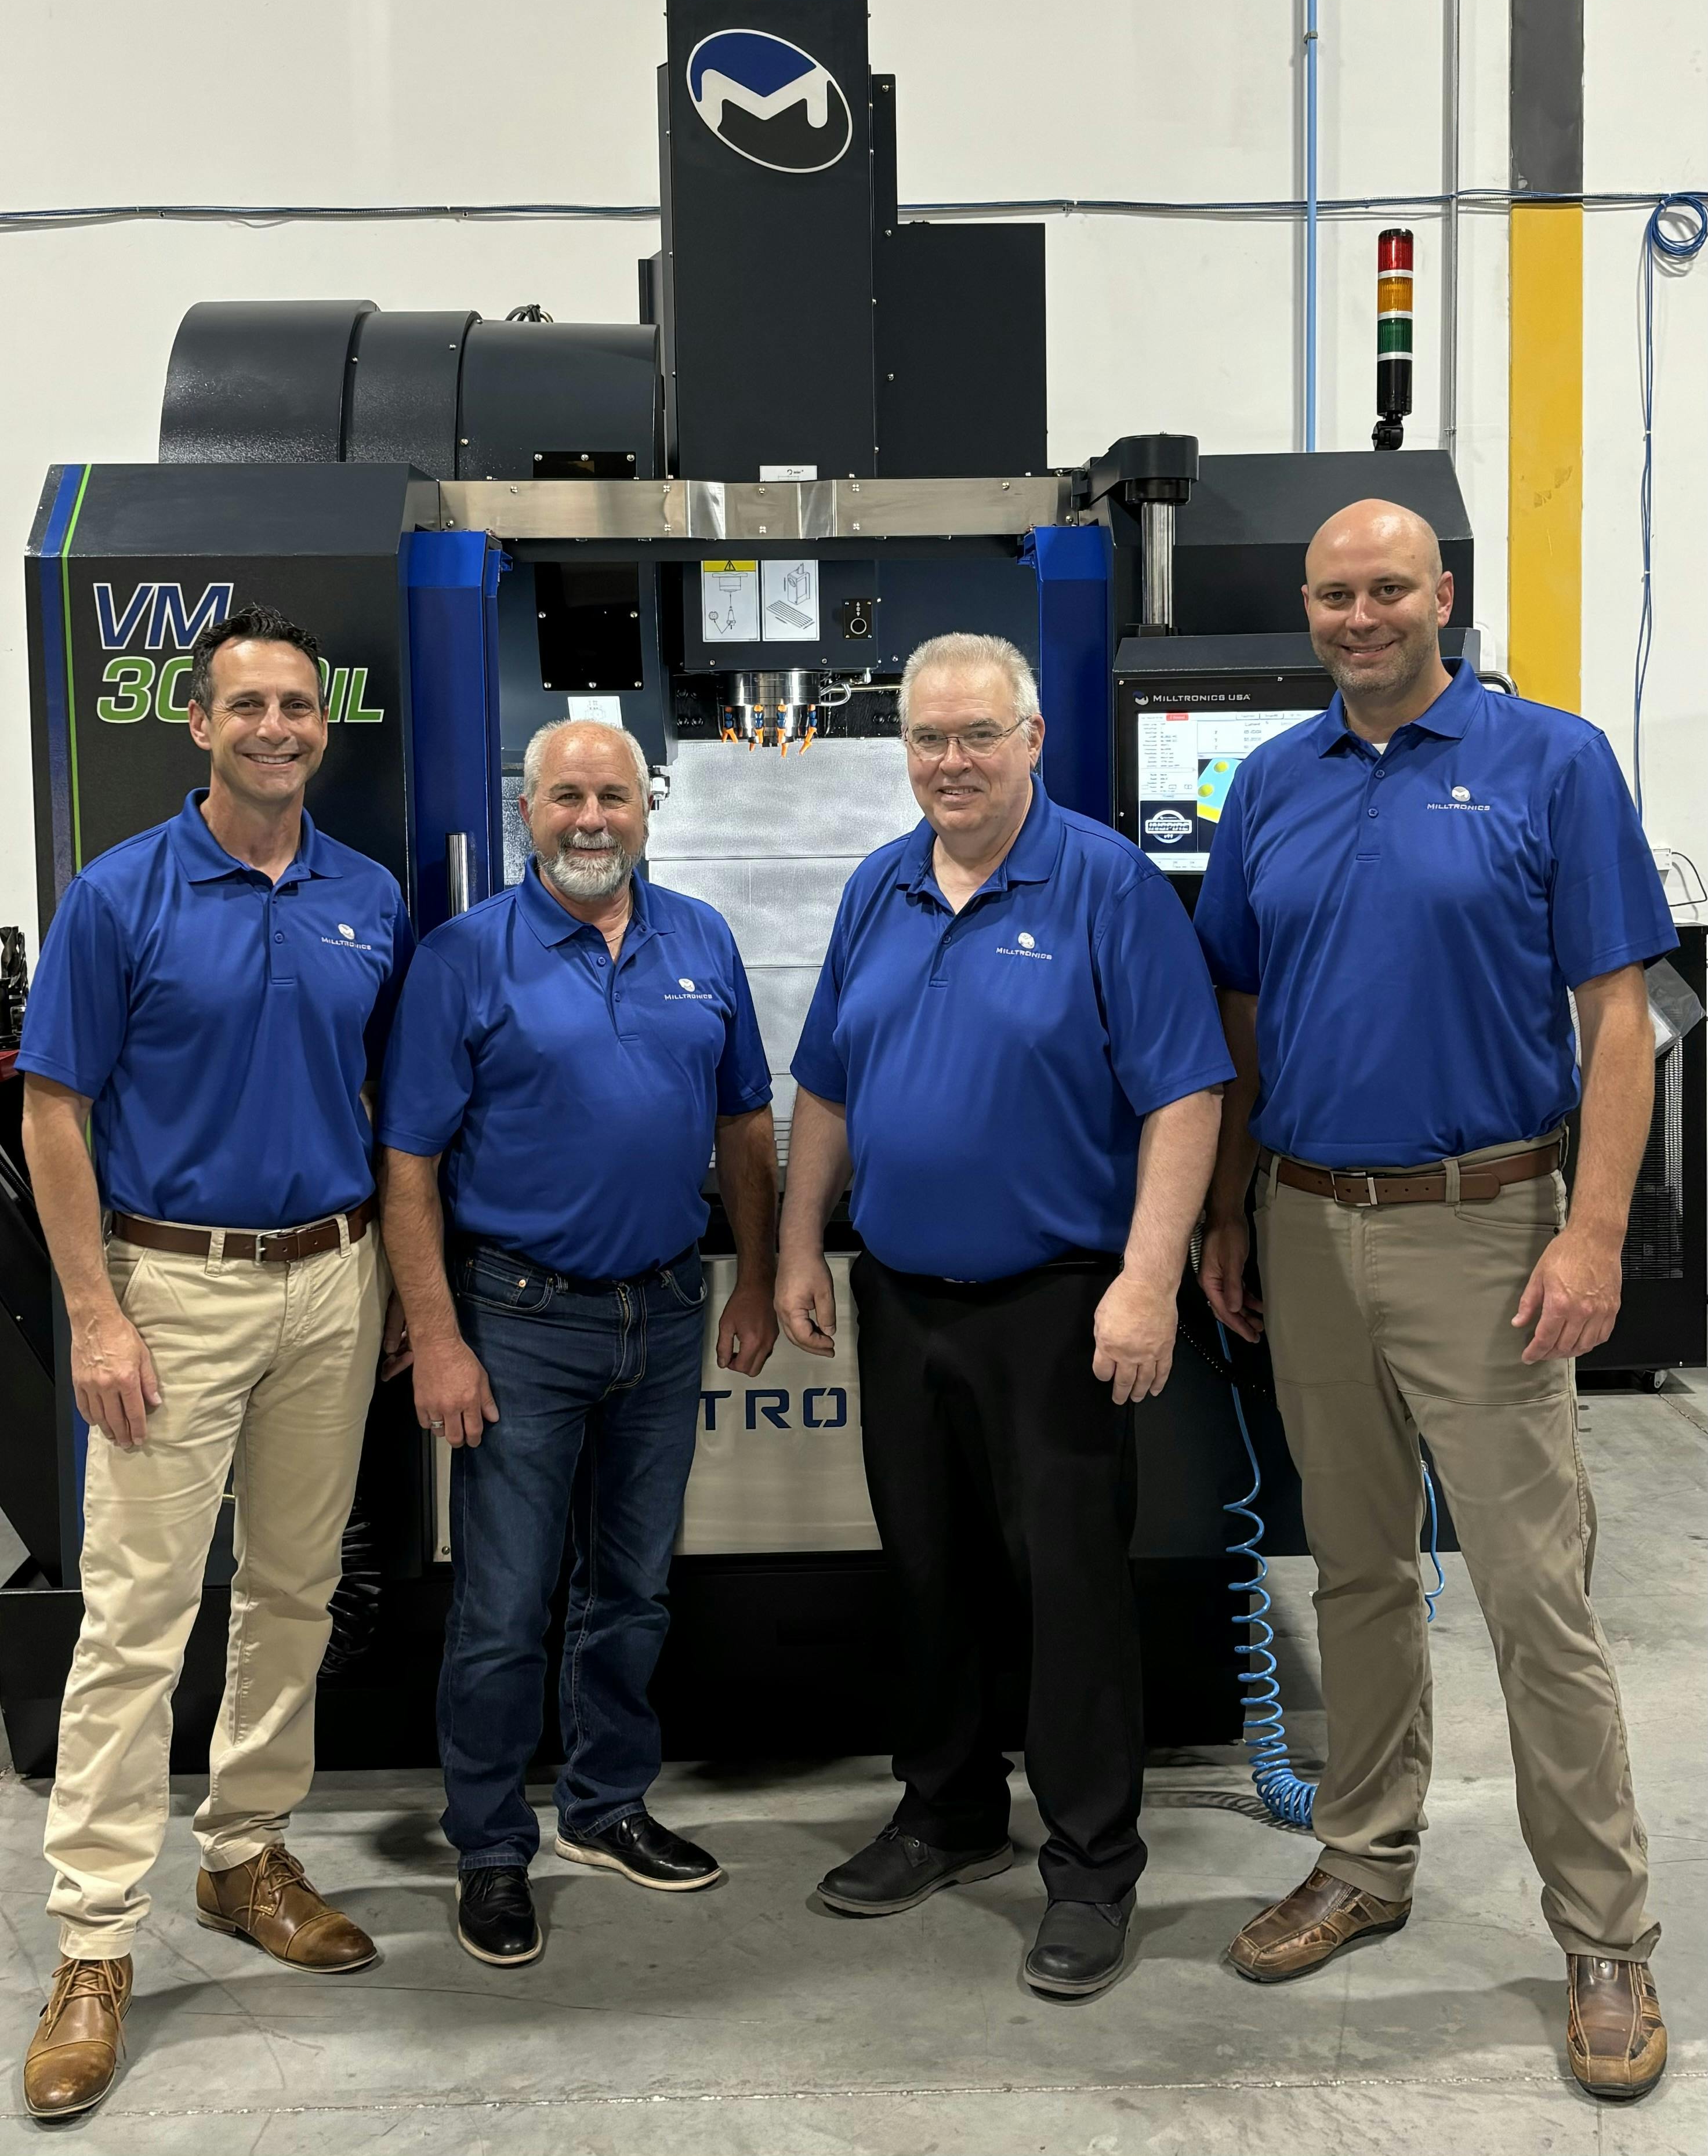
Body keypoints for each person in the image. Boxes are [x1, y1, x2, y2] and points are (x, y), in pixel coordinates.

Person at [1195, 501, 1676, 2101]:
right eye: (1333, 592)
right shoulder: (1267, 784)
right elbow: (1241, 1018)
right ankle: (1363, 1858)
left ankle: (1602, 1932)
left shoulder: (1552, 760)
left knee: (1536, 1596)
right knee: (1354, 1569)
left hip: (1486, 1226)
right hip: (1309, 1217)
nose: (1359, 614)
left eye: (1387, 586)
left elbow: (1620, 1023)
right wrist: (1228, 1211)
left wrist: (1593, 1231)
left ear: (1442, 598)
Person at [775, 633, 1232, 1998]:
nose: (952, 762)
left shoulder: (1105, 886)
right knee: (930, 1573)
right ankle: (950, 1811)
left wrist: (1147, 1279)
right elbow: (827, 1085)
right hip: (904, 1300)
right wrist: (801, 1244)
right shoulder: (878, 888)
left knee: (1073, 1595)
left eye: (979, 735)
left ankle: (1091, 1867)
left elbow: (1184, 1095)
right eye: (928, 739)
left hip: (1058, 1307)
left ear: (1033, 738)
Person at [17, 605, 412, 2119]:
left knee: (296, 1589)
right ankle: (95, 1943)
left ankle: (245, 1851)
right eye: (245, 703)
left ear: (324, 726)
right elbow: (54, 1109)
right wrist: (96, 1314)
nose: (274, 725)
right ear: (198, 722)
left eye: (298, 705)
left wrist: (385, 1280)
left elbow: (381, 1087)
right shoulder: (120, 897)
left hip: (332, 1277)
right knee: (135, 1617)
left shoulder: (365, 896)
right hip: (170, 1289)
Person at [379, 717, 778, 1968]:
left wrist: (756, 1279)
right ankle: (493, 1846)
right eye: (566, 797)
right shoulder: (464, 958)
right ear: (528, 810)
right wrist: (438, 1336)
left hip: (664, 1312)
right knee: (502, 1604)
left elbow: (745, 1128)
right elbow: (410, 1168)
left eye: (612, 795)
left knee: (634, 1590)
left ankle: (605, 1807)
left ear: (647, 806)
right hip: (519, 1319)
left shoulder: (701, 939)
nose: (590, 818)